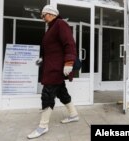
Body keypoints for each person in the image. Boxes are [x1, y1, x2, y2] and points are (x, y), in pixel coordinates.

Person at [27, 5, 79, 139]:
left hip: (56, 68)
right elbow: (51, 49)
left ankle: (43, 126)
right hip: (51, 66)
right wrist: (42, 58)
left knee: (47, 94)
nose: (42, 18)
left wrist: (69, 62)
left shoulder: (60, 24)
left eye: (43, 15)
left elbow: (69, 44)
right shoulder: (51, 28)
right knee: (62, 92)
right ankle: (73, 114)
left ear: (50, 14)